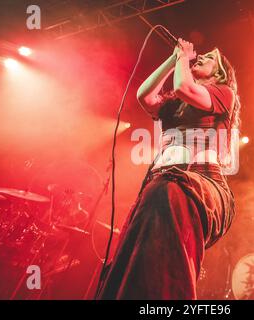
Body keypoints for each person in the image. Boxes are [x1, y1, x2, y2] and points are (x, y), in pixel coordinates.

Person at [98, 38, 241, 299]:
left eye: (209, 58)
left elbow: (184, 86)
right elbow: (144, 95)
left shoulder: (223, 93)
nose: (201, 57)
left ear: (219, 73)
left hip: (202, 183)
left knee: (166, 194)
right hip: (163, 184)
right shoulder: (175, 101)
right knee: (135, 248)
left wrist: (184, 59)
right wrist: (174, 58)